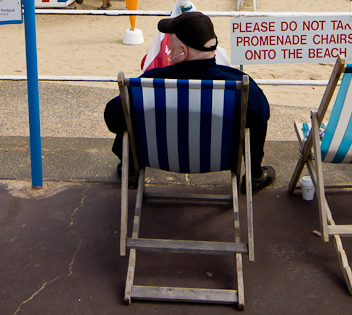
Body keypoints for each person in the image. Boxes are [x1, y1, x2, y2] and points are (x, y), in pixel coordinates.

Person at [103, 12, 275, 193]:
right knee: (256, 121)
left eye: (171, 47)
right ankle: (254, 177)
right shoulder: (239, 87)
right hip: (218, 159)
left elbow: (113, 119)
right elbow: (262, 116)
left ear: (183, 51)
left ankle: (131, 169)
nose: (169, 51)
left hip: (161, 157)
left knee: (130, 112)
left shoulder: (149, 84)